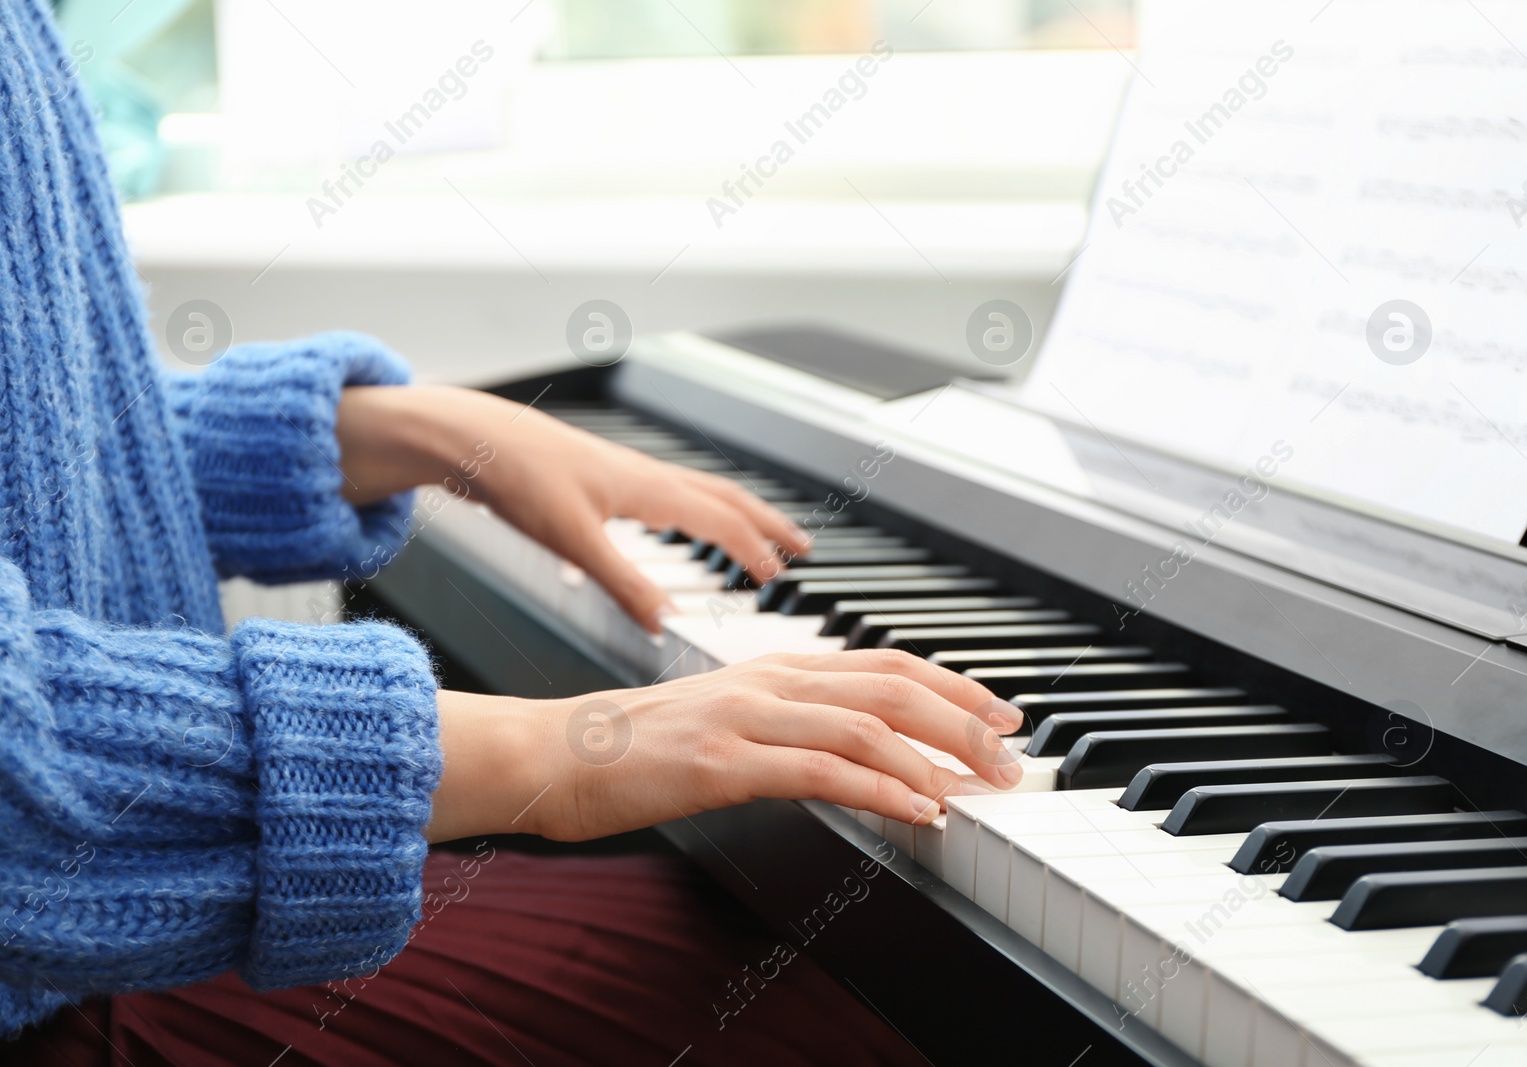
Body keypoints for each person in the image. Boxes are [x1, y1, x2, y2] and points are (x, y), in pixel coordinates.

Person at [0, 1, 1023, 1062]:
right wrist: (553, 753)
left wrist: (403, 430)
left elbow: (45, 439)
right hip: (55, 987)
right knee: (860, 1005)